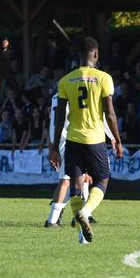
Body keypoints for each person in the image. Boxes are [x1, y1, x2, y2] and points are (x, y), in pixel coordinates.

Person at [50, 37, 123, 244]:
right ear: (96, 55)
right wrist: (117, 139)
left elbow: (59, 118)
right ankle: (87, 210)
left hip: (72, 138)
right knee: (102, 179)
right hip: (95, 139)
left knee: (75, 183)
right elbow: (109, 114)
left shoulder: (65, 80)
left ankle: (82, 235)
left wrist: (55, 147)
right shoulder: (104, 78)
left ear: (78, 55)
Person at [44, 92, 114, 228]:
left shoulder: (55, 97)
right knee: (66, 179)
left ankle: (83, 214)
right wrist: (113, 136)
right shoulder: (75, 93)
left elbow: (52, 122)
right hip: (72, 137)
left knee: (84, 176)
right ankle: (53, 219)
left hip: (64, 139)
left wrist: (51, 146)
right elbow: (101, 114)